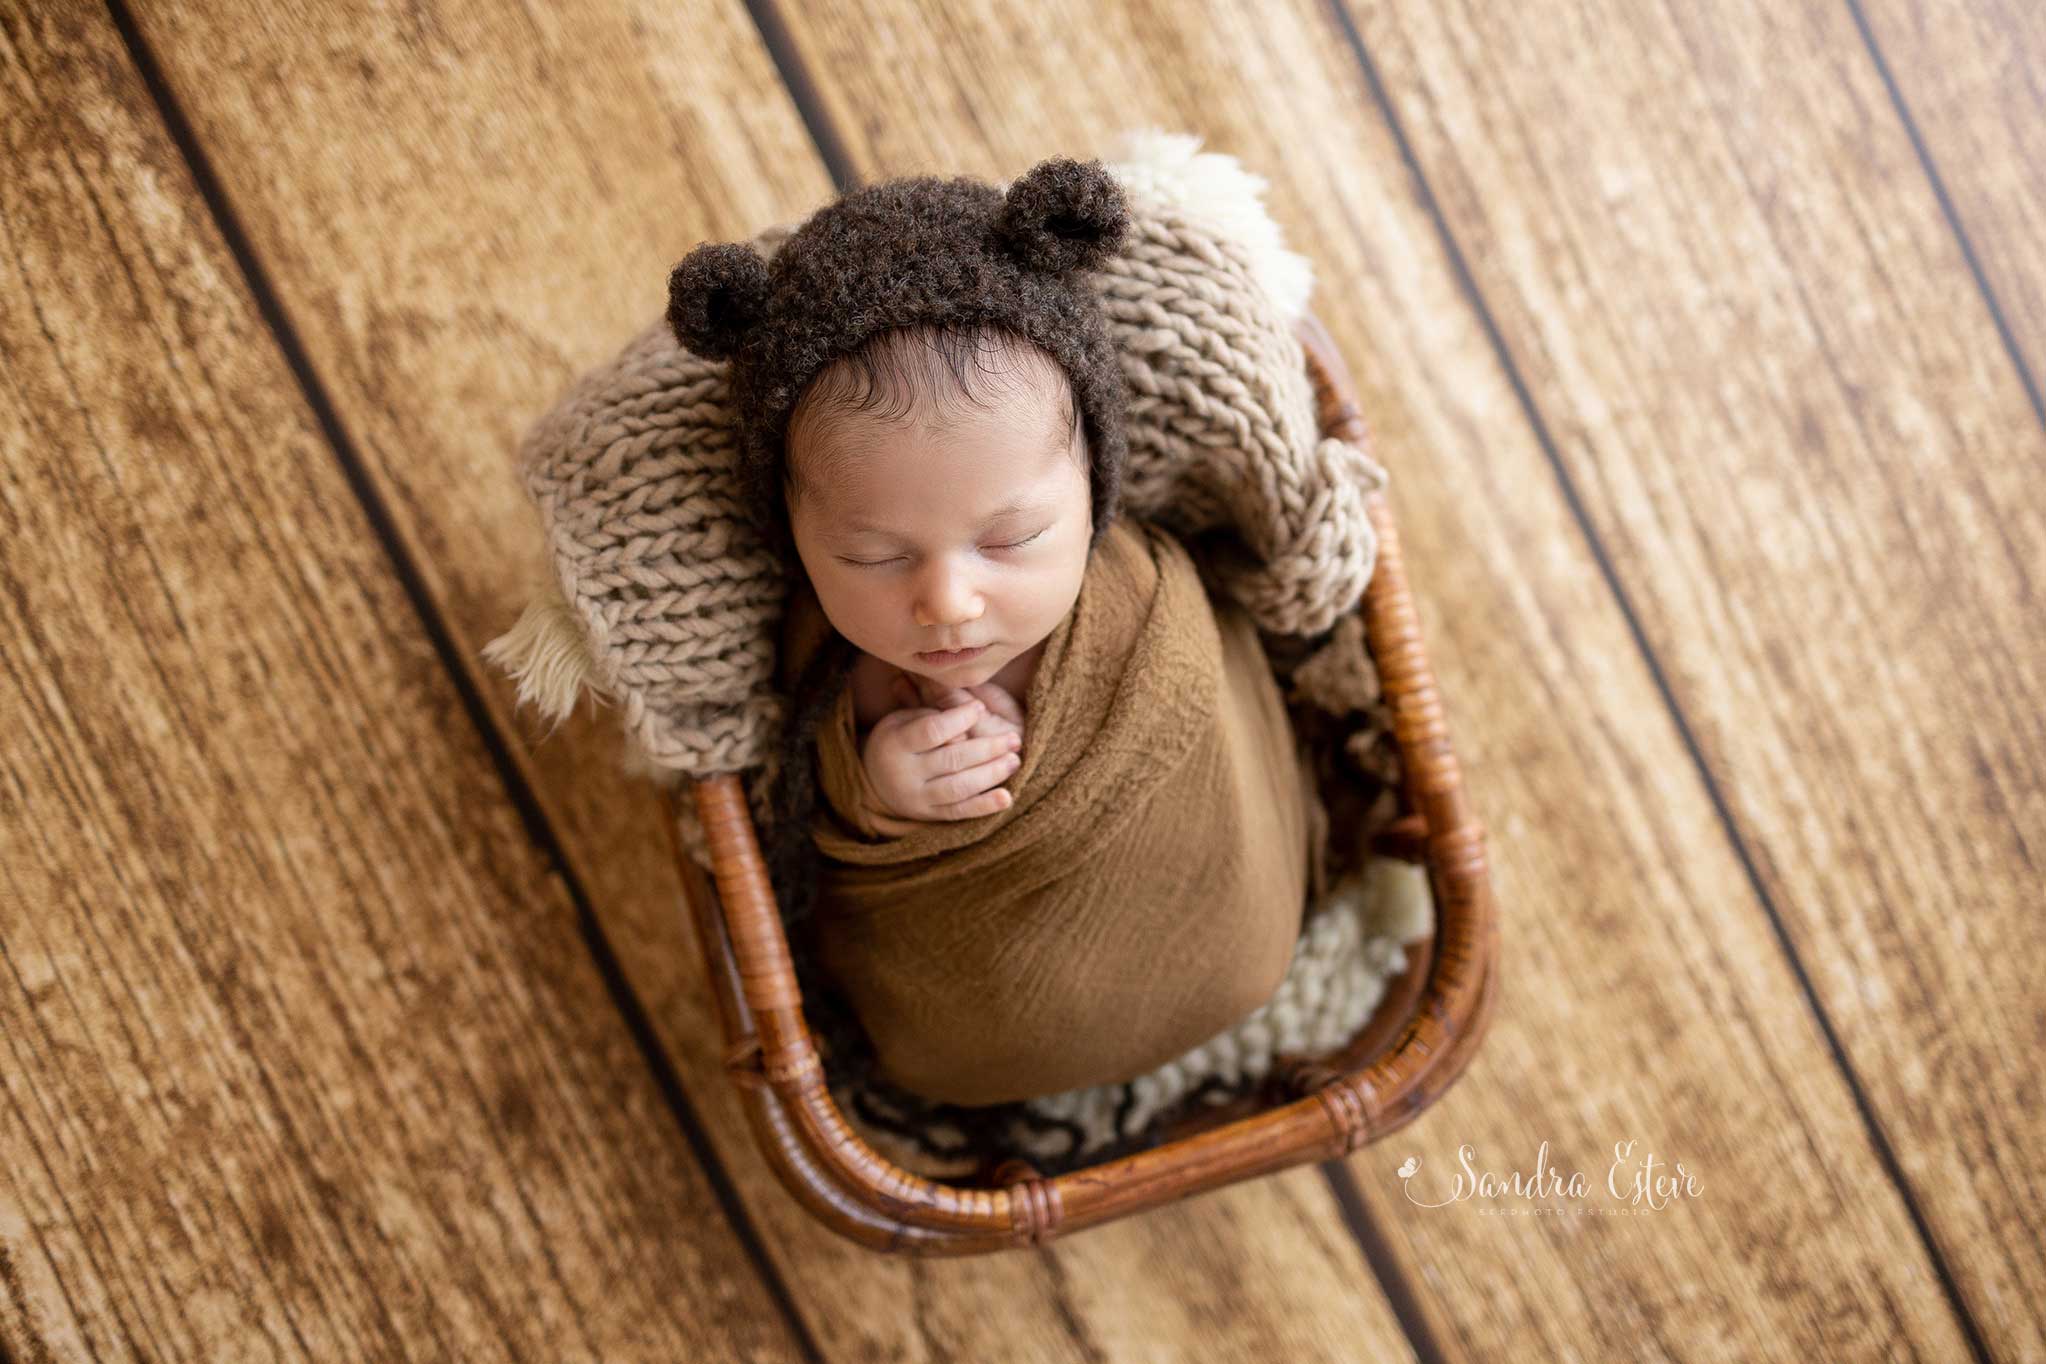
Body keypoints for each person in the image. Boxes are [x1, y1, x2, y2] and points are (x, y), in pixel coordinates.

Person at [666, 158, 1324, 1155]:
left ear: (1095, 484)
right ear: (795, 541)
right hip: (971, 1023)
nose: (948, 600)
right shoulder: (832, 664)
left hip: (1237, 924)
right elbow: (801, 798)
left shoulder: (1136, 593)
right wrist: (881, 786)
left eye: (1011, 539)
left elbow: (1218, 678)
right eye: (873, 555)